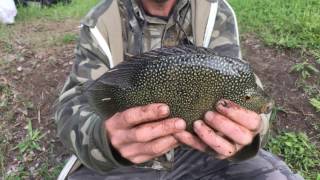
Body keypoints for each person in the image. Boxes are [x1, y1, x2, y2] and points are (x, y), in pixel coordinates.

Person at [55, 0, 303, 179]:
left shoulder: (216, 11)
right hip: (124, 161)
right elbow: (74, 104)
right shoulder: (100, 22)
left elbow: (244, 87)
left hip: (199, 151)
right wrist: (106, 138)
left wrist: (250, 130)